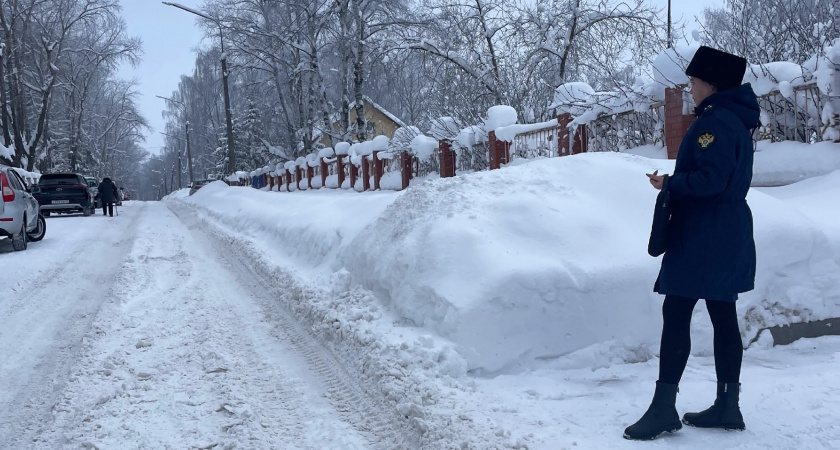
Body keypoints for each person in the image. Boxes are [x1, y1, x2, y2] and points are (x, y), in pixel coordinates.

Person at [623, 46, 761, 441]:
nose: (691, 89)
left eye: (694, 82)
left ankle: (664, 408)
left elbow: (710, 181)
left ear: (711, 84)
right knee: (722, 314)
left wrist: (669, 183)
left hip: (704, 232)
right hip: (729, 228)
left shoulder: (713, 124)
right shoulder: (737, 120)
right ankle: (727, 404)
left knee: (678, 311)